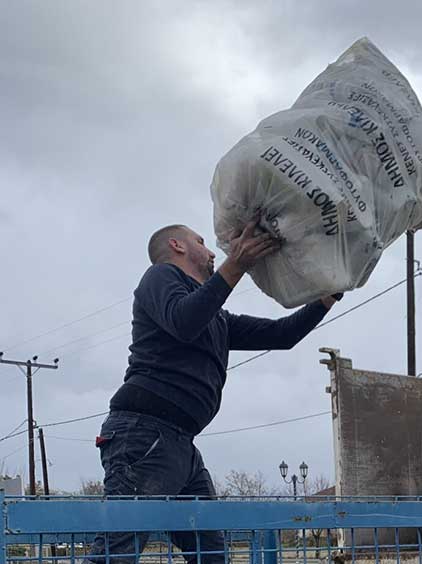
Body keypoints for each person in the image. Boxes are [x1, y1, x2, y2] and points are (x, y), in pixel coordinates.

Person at [86, 219, 341, 564]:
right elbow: (184, 320)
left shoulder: (217, 317)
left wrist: (326, 298)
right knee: (117, 552)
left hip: (181, 444)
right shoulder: (160, 277)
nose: (210, 252)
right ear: (177, 246)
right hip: (144, 434)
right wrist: (235, 264)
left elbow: (282, 335)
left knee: (211, 552)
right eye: (201, 242)